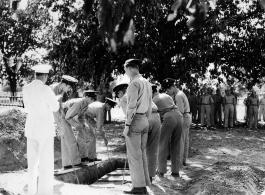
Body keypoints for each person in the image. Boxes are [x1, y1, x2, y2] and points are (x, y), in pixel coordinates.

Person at [23, 64, 60, 195]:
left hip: (31, 128)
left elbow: (27, 107)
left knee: (32, 162)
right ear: (45, 76)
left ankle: (32, 192)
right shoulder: (46, 89)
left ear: (35, 75)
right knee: (46, 162)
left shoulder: (25, 88)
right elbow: (55, 107)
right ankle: (45, 192)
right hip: (44, 129)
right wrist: (57, 99)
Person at [114, 83, 161, 183]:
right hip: (156, 117)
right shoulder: (141, 93)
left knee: (137, 151)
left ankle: (138, 182)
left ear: (120, 92)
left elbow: (129, 116)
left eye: (117, 95)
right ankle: (150, 177)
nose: (118, 97)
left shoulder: (124, 98)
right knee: (152, 149)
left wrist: (127, 130)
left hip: (142, 120)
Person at [122, 59, 152, 194]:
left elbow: (131, 106)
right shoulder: (147, 82)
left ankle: (139, 187)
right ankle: (145, 183)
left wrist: (127, 125)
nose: (125, 73)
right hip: (145, 119)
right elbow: (150, 104)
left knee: (134, 155)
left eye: (125, 70)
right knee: (141, 153)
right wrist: (146, 119)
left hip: (135, 120)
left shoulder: (134, 83)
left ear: (129, 69)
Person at [50, 75, 82, 169]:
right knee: (67, 134)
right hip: (48, 118)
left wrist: (64, 115)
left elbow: (59, 105)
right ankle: (71, 162)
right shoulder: (51, 90)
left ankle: (68, 163)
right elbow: (54, 111)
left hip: (57, 115)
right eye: (68, 87)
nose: (68, 90)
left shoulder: (61, 90)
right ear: (63, 84)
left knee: (68, 137)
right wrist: (60, 126)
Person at [154, 81, 183, 177]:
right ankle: (175, 171)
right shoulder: (166, 96)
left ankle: (161, 170)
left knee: (162, 143)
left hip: (169, 117)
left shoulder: (154, 100)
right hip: (179, 116)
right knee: (176, 144)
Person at [63, 90, 98, 164]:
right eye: (91, 99)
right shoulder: (78, 103)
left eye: (93, 99)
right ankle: (72, 163)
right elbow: (67, 117)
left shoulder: (86, 104)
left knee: (83, 135)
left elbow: (81, 116)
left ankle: (83, 158)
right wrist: (76, 125)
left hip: (69, 115)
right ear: (86, 96)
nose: (92, 101)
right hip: (63, 114)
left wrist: (83, 125)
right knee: (71, 139)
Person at [162, 78, 191, 167]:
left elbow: (180, 111)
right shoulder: (180, 94)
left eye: (167, 90)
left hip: (183, 117)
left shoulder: (178, 96)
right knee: (185, 140)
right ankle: (183, 160)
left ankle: (178, 163)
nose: (167, 92)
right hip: (186, 116)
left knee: (179, 141)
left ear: (171, 88)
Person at [85, 97, 117, 161]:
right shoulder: (101, 109)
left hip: (87, 117)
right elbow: (99, 126)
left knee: (92, 136)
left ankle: (92, 157)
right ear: (107, 104)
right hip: (83, 117)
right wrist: (104, 138)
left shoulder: (100, 104)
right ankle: (90, 158)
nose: (109, 109)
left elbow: (95, 120)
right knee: (92, 137)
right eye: (110, 107)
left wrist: (95, 125)